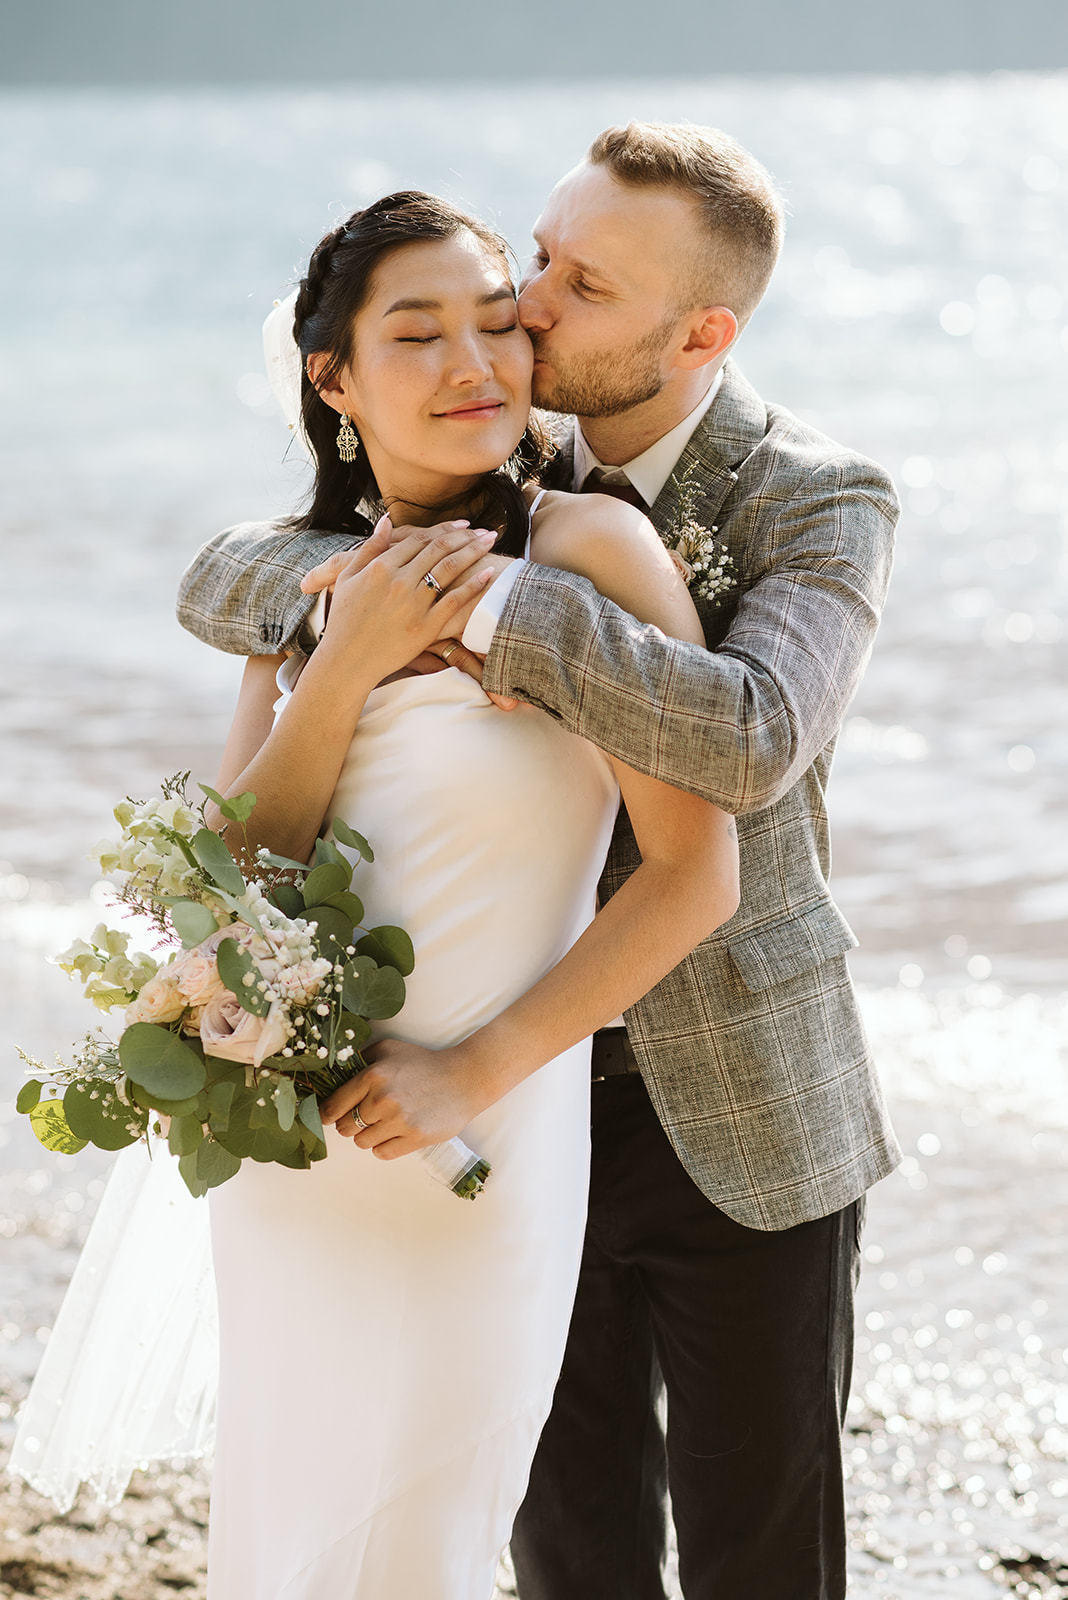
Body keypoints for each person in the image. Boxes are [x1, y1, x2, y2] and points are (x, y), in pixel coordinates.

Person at [177, 123, 902, 1600]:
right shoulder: (493, 434)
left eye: (583, 287)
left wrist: (504, 615)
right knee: (562, 1553)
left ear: (701, 334)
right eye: (547, 256)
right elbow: (241, 572)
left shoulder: (816, 497)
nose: (529, 311)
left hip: (734, 1097)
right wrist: (370, 607)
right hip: (500, 1109)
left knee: (766, 1554)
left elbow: (754, 738)